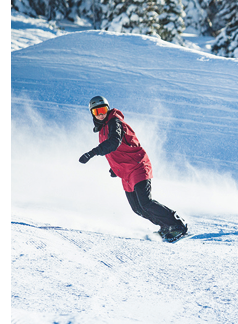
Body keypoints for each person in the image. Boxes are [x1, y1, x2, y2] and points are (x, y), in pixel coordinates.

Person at [77, 96, 187, 242]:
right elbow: (116, 151)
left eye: (103, 110)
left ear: (108, 109)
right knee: (137, 208)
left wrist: (92, 152)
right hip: (126, 172)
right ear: (92, 114)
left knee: (146, 202)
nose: (101, 114)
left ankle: (178, 224)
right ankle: (166, 226)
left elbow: (114, 142)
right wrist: (115, 168)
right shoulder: (102, 130)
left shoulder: (114, 122)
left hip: (138, 166)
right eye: (97, 112)